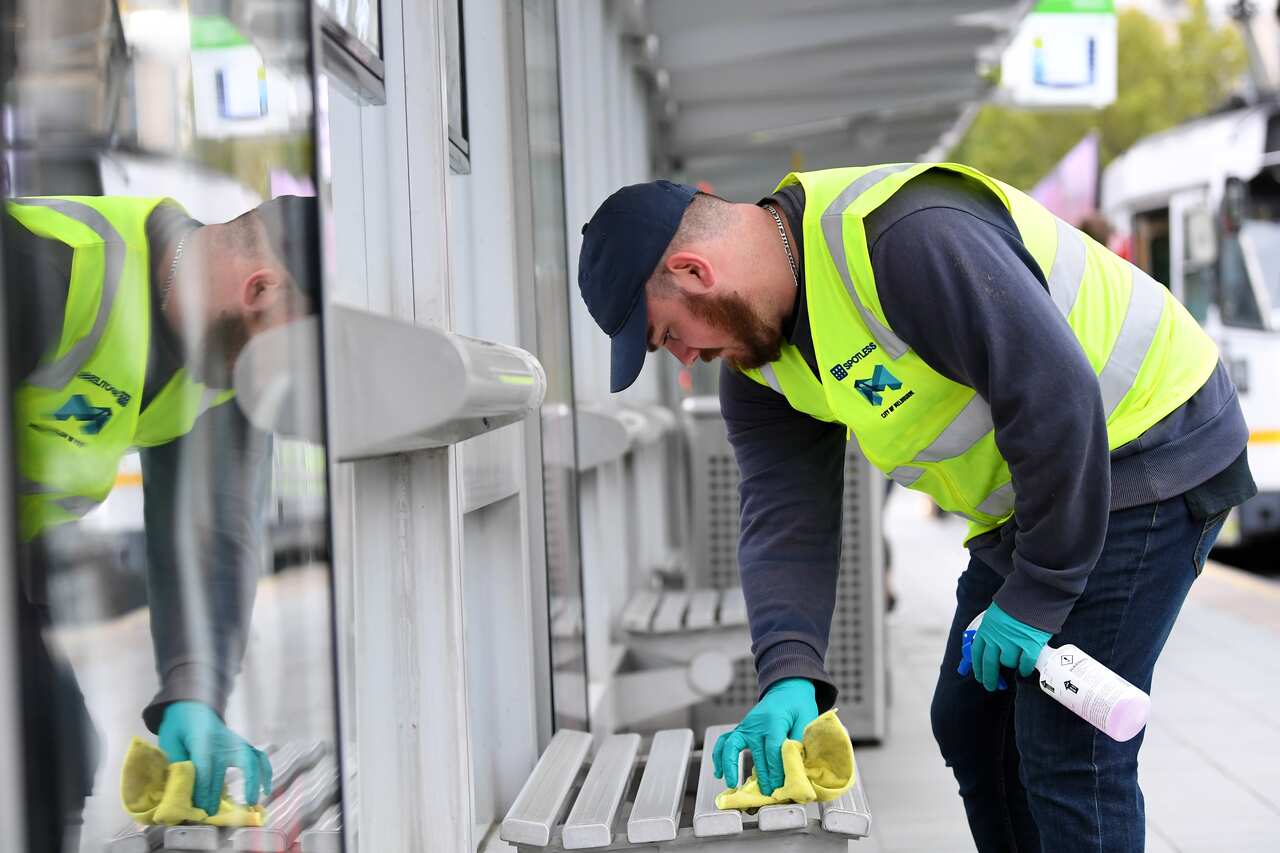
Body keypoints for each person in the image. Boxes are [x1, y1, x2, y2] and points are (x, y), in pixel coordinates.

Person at [576, 164, 1255, 852]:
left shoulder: (903, 239)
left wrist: (1038, 591)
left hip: (1151, 439)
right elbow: (786, 518)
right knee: (969, 723)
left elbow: (1053, 396)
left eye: (670, 336)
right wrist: (788, 671)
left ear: (694, 272)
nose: (686, 358)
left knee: (1067, 746)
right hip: (1043, 489)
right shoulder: (760, 370)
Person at [3, 192, 318, 850]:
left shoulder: (224, 371)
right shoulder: (47, 265)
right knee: (36, 752)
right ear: (260, 289)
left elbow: (216, 536)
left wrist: (194, 694)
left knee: (53, 749)